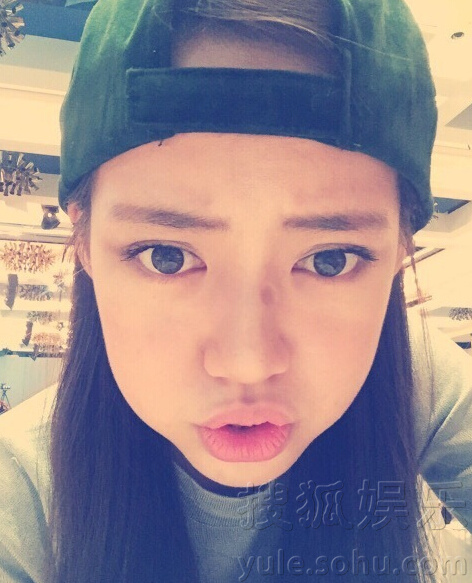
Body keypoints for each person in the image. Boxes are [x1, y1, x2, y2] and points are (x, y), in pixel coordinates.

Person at [0, 0, 471, 582]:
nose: (248, 361)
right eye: (167, 256)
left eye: (329, 260)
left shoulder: (421, 382)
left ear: (400, 253)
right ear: (86, 245)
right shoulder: (19, 493)